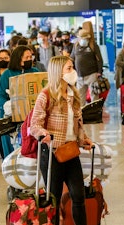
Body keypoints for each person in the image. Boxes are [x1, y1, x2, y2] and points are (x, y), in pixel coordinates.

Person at [30, 55, 93, 225]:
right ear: (58, 72)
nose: (73, 72)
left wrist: (84, 140)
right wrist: (44, 134)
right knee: (54, 199)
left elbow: (78, 123)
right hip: (52, 153)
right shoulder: (46, 95)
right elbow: (34, 124)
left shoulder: (73, 94)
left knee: (79, 195)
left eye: (72, 67)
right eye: (69, 68)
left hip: (70, 151)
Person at [0, 45, 39, 157]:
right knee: (11, 152)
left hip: (30, 118)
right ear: (18, 58)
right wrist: (8, 106)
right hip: (11, 118)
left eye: (31, 57)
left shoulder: (35, 72)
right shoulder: (7, 74)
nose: (30, 59)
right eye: (27, 57)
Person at [70, 26, 103, 106]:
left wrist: (99, 71)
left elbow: (99, 59)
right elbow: (72, 58)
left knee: (94, 95)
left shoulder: (93, 45)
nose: (84, 40)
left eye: (86, 38)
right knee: (80, 97)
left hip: (92, 74)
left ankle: (95, 113)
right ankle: (82, 114)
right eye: (82, 38)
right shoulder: (76, 46)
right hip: (79, 76)